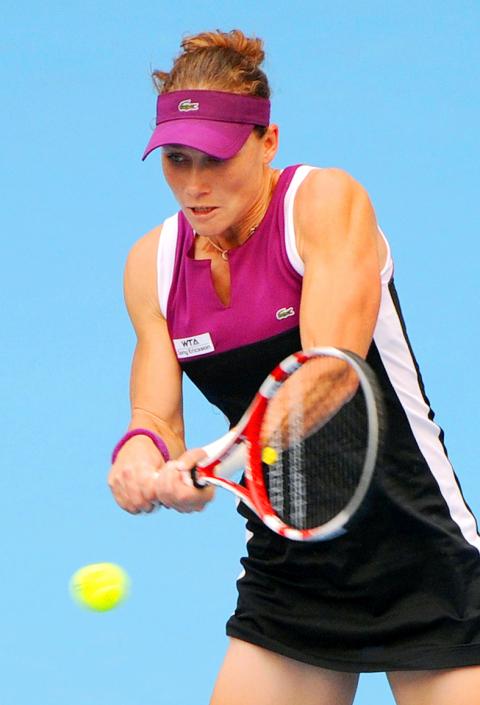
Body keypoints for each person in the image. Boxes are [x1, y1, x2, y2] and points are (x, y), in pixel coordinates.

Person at [108, 29, 480, 705]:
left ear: (268, 142)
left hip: (422, 557)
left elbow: (329, 373)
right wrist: (140, 457)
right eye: (177, 160)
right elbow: (154, 416)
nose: (194, 185)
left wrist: (220, 456)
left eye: (217, 159)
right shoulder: (151, 266)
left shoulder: (323, 203)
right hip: (291, 575)